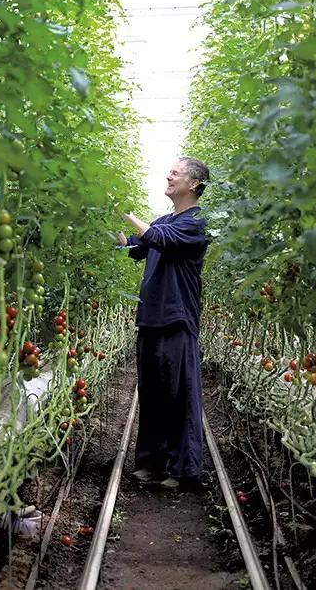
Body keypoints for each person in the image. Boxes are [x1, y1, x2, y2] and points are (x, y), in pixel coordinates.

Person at [115, 157, 210, 491]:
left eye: (176, 172)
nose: (168, 175)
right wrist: (109, 227)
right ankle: (151, 462)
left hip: (178, 316)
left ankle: (182, 468)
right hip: (151, 317)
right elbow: (137, 245)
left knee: (179, 394)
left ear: (194, 184)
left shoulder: (197, 223)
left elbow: (161, 239)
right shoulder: (162, 221)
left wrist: (130, 215)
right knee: (153, 393)